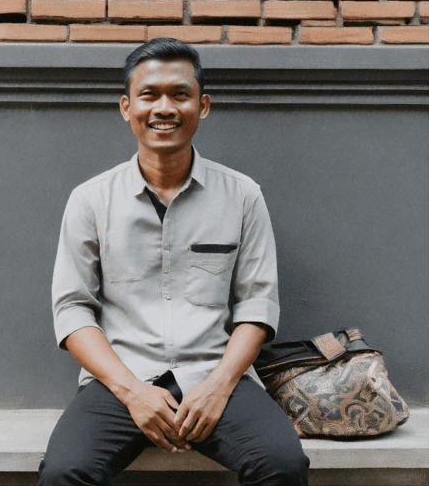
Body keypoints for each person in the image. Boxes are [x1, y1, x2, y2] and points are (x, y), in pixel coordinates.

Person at [38, 38, 309, 486]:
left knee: (282, 465)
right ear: (127, 107)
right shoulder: (90, 199)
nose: (164, 107)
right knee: (66, 473)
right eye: (149, 95)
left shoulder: (242, 195)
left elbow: (257, 306)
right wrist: (132, 392)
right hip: (120, 380)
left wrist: (220, 385)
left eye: (179, 94)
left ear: (202, 106)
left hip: (215, 373)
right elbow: (71, 310)